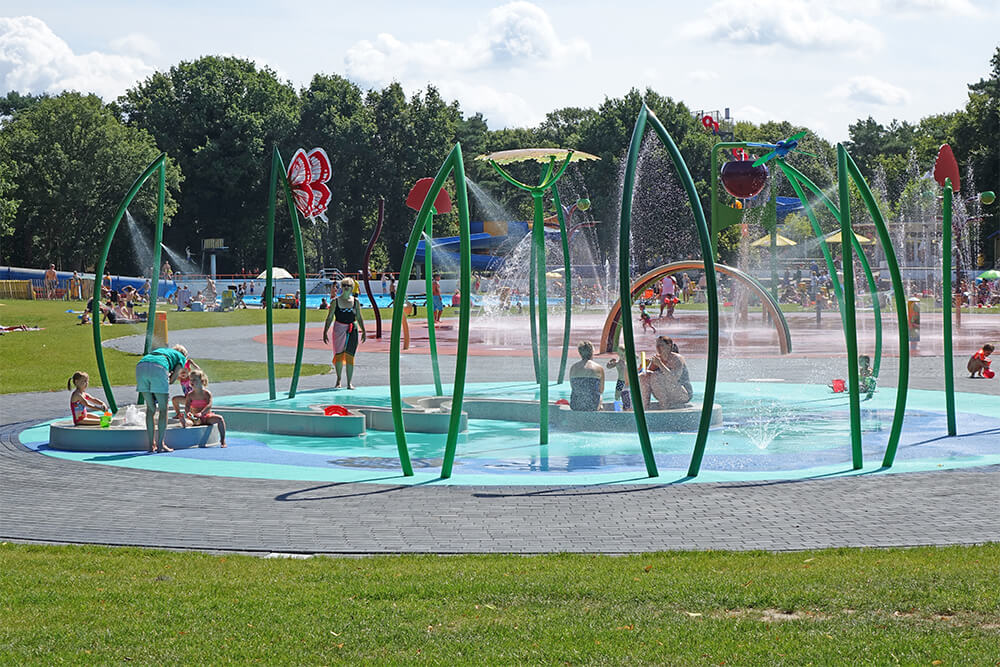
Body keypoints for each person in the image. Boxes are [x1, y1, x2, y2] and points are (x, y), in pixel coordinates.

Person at [135, 344, 189, 453]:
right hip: (159, 368)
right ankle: (160, 444)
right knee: (163, 410)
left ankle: (151, 445)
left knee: (150, 409)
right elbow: (172, 380)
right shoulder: (181, 357)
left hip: (141, 366)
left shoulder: (163, 351)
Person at [323, 278, 367, 389]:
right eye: (344, 285)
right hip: (339, 329)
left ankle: (349, 382)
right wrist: (325, 331)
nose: (346, 287)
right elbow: (329, 318)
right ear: (341, 287)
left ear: (352, 288)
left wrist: (364, 331)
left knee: (350, 355)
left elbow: (359, 317)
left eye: (348, 285)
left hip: (352, 329)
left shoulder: (355, 301)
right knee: (339, 354)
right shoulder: (335, 301)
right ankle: (338, 380)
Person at [638, 336, 693, 410]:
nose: (658, 348)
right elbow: (647, 378)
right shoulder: (657, 359)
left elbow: (674, 378)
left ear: (669, 345)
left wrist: (660, 364)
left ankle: (664, 406)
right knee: (644, 375)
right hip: (667, 392)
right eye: (657, 345)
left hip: (683, 394)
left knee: (656, 376)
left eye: (661, 345)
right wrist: (642, 367)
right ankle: (644, 406)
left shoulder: (677, 359)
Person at [181, 370, 227, 447]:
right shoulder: (190, 395)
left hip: (206, 417)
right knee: (188, 423)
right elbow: (187, 406)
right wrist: (188, 412)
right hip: (195, 418)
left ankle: (222, 440)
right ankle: (183, 422)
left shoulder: (206, 393)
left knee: (220, 419)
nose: (192, 381)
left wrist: (202, 413)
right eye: (191, 379)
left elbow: (209, 405)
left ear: (201, 381)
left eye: (195, 379)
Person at [569, 341, 605, 411]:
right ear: (592, 352)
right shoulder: (599, 368)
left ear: (580, 353)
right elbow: (601, 390)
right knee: (600, 397)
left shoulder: (573, 368)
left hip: (575, 405)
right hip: (592, 406)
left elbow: (573, 387)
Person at [606, 344, 633, 410]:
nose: (622, 357)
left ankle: (627, 407)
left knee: (627, 395)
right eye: (621, 355)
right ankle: (618, 408)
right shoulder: (617, 363)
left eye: (624, 355)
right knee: (617, 395)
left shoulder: (628, 362)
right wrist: (610, 362)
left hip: (627, 382)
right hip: (620, 381)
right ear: (618, 354)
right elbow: (608, 367)